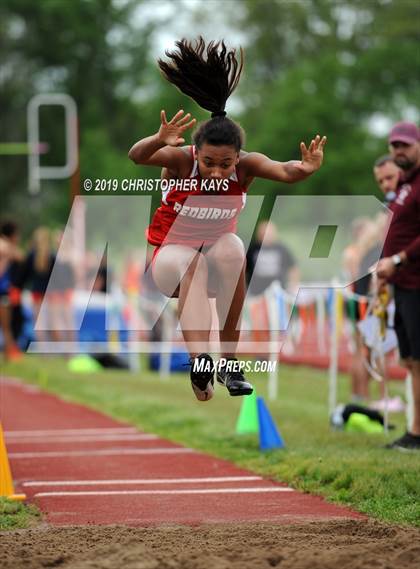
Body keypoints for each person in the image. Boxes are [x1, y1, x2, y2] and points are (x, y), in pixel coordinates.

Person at [128, 37, 326, 402]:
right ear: (196, 155)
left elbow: (285, 171)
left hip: (219, 267)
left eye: (226, 164)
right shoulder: (180, 160)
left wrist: (307, 168)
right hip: (170, 260)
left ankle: (229, 361)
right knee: (194, 263)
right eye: (209, 163)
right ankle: (199, 362)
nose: (218, 172)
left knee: (234, 247)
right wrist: (158, 139)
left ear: (237, 158)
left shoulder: (246, 166)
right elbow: (137, 156)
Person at [375, 121, 420, 451]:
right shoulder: (404, 185)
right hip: (401, 284)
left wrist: (399, 260)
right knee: (411, 361)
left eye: (405, 145)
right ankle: (415, 431)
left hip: (416, 282)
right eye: (395, 146)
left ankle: (417, 433)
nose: (399, 151)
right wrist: (385, 272)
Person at [246, 220, 300, 296]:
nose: (266, 235)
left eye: (269, 233)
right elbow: (245, 270)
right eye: (263, 233)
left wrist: (293, 286)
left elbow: (293, 268)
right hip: (256, 293)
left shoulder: (281, 249)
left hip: (279, 292)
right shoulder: (253, 249)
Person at [0, 220, 23, 360]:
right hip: (2, 290)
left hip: (4, 290)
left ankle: (9, 352)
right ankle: (9, 353)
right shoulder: (5, 247)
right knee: (6, 325)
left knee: (6, 325)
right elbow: (20, 256)